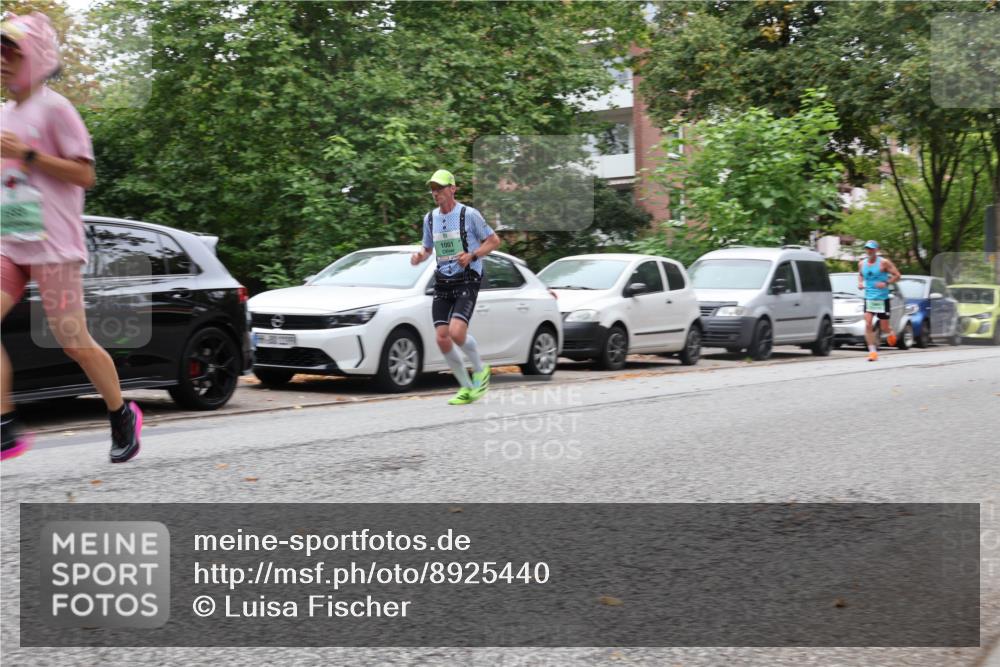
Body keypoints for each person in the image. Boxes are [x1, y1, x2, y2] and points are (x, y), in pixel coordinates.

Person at [1, 12, 141, 462]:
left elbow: (85, 174)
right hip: (10, 240)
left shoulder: (57, 108)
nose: (1, 62)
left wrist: (26, 153)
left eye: (10, 52)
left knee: (72, 340)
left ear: (35, 58)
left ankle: (122, 413)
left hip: (54, 246)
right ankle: (4, 425)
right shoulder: (3, 113)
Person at [410, 169, 500, 404]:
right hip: (443, 279)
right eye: (432, 189)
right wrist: (420, 256)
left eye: (440, 188)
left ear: (453, 188)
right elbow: (428, 248)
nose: (435, 193)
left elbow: (493, 241)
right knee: (442, 337)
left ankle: (480, 370)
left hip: (468, 277)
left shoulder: (469, 215)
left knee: (456, 332)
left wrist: (472, 255)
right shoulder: (430, 218)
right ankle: (466, 387)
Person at [857, 240, 901, 362]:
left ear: (876, 250)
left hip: (882, 299)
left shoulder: (884, 263)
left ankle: (890, 333)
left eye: (871, 248)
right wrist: (860, 282)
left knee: (884, 327)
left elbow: (897, 275)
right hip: (869, 298)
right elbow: (860, 274)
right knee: (868, 323)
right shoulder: (861, 264)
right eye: (867, 248)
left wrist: (886, 283)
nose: (869, 251)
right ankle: (872, 352)